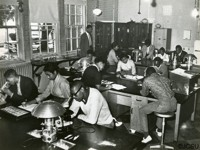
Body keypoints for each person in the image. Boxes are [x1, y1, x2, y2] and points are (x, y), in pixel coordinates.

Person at [139, 67, 177, 143]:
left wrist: (142, 89)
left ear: (147, 74)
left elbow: (144, 94)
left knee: (141, 111)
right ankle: (159, 130)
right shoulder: (165, 78)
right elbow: (167, 90)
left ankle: (146, 136)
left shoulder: (147, 80)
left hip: (164, 105)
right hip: (173, 103)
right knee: (159, 106)